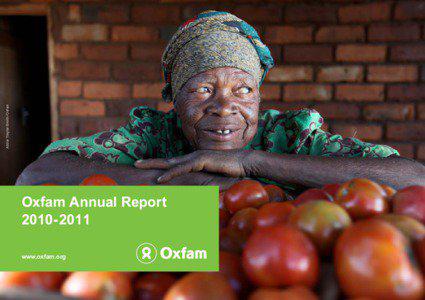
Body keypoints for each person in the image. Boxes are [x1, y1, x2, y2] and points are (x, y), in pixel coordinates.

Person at [16, 11, 424, 193]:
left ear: (260, 96)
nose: (224, 107)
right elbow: (34, 178)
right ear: (174, 100)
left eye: (243, 89)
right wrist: (192, 183)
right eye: (202, 89)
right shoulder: (150, 136)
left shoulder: (292, 136)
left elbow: (415, 180)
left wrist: (253, 164)